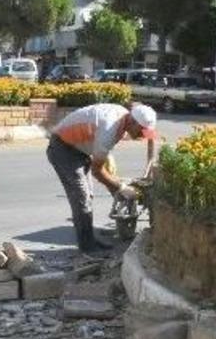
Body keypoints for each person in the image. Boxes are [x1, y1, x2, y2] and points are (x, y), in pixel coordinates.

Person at [47, 102, 157, 254]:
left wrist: (149, 163)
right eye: (141, 131)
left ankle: (89, 239)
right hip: (63, 150)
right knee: (81, 198)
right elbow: (97, 171)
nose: (142, 136)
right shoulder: (109, 129)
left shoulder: (127, 115)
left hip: (80, 149)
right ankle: (87, 247)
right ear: (132, 122)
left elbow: (150, 138)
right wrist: (121, 188)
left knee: (87, 197)